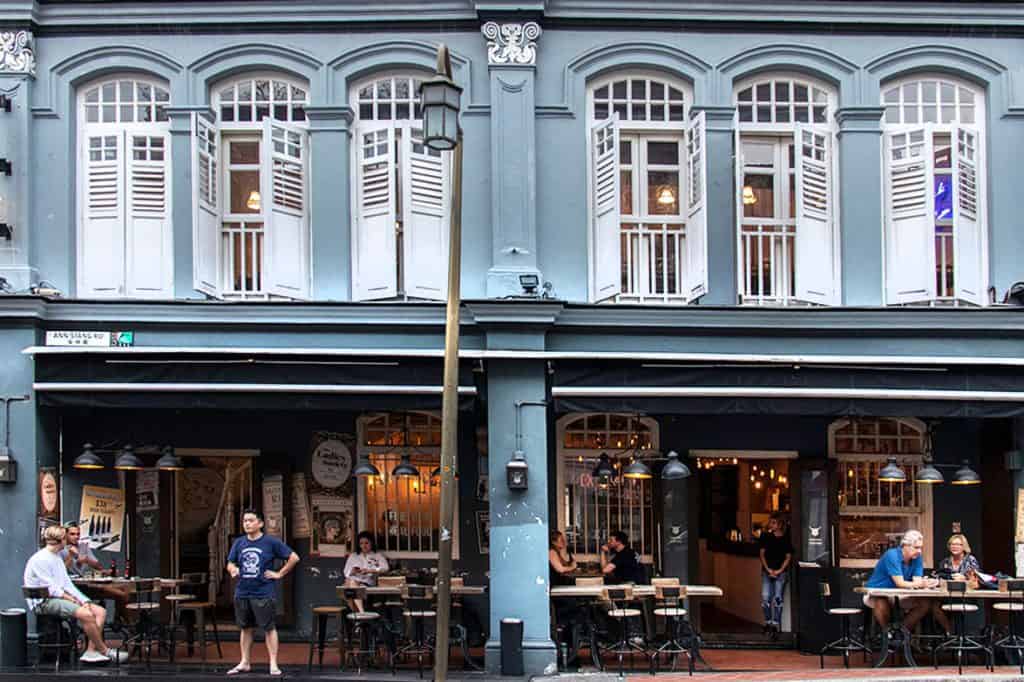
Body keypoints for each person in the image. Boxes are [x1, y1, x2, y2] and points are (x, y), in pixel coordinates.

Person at [23, 525, 128, 664]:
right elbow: (52, 589)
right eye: (66, 538)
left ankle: (91, 651)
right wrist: (73, 600)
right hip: (43, 601)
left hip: (57, 597)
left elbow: (67, 584)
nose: (68, 541)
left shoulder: (56, 558)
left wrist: (83, 600)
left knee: (100, 611)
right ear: (61, 540)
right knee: (86, 614)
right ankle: (105, 651)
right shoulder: (40, 559)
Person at [226, 509, 299, 676]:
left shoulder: (270, 542)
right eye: (245, 521)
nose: (247, 524)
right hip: (242, 591)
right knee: (245, 628)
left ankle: (273, 663)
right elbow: (230, 563)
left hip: (263, 592)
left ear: (260, 523)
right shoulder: (239, 543)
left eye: (251, 520)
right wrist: (233, 569)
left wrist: (279, 573)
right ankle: (245, 662)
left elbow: (294, 557)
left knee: (269, 627)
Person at [864, 530, 939, 635]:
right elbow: (900, 583)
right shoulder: (892, 555)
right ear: (905, 546)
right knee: (881, 603)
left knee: (925, 603)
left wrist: (926, 583)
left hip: (900, 594)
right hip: (878, 592)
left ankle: (901, 633)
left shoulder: (917, 558)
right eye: (916, 547)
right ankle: (887, 634)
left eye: (921, 547)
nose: (919, 551)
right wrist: (921, 584)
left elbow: (917, 581)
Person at [758, 513, 793, 637]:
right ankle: (767, 622)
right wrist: (768, 569)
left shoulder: (786, 538)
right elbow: (762, 554)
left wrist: (779, 570)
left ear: (780, 524)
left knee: (778, 598)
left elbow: (788, 556)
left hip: (780, 572)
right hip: (767, 571)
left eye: (773, 522)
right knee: (765, 597)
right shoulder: (766, 536)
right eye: (771, 522)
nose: (771, 524)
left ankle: (775, 624)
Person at [343, 531, 389, 612]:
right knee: (349, 583)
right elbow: (346, 572)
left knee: (349, 587)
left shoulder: (377, 556)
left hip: (368, 583)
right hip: (353, 582)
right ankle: (361, 613)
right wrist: (353, 571)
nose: (364, 546)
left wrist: (370, 570)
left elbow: (385, 568)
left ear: (371, 543)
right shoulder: (353, 556)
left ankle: (359, 614)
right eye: (361, 543)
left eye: (366, 543)